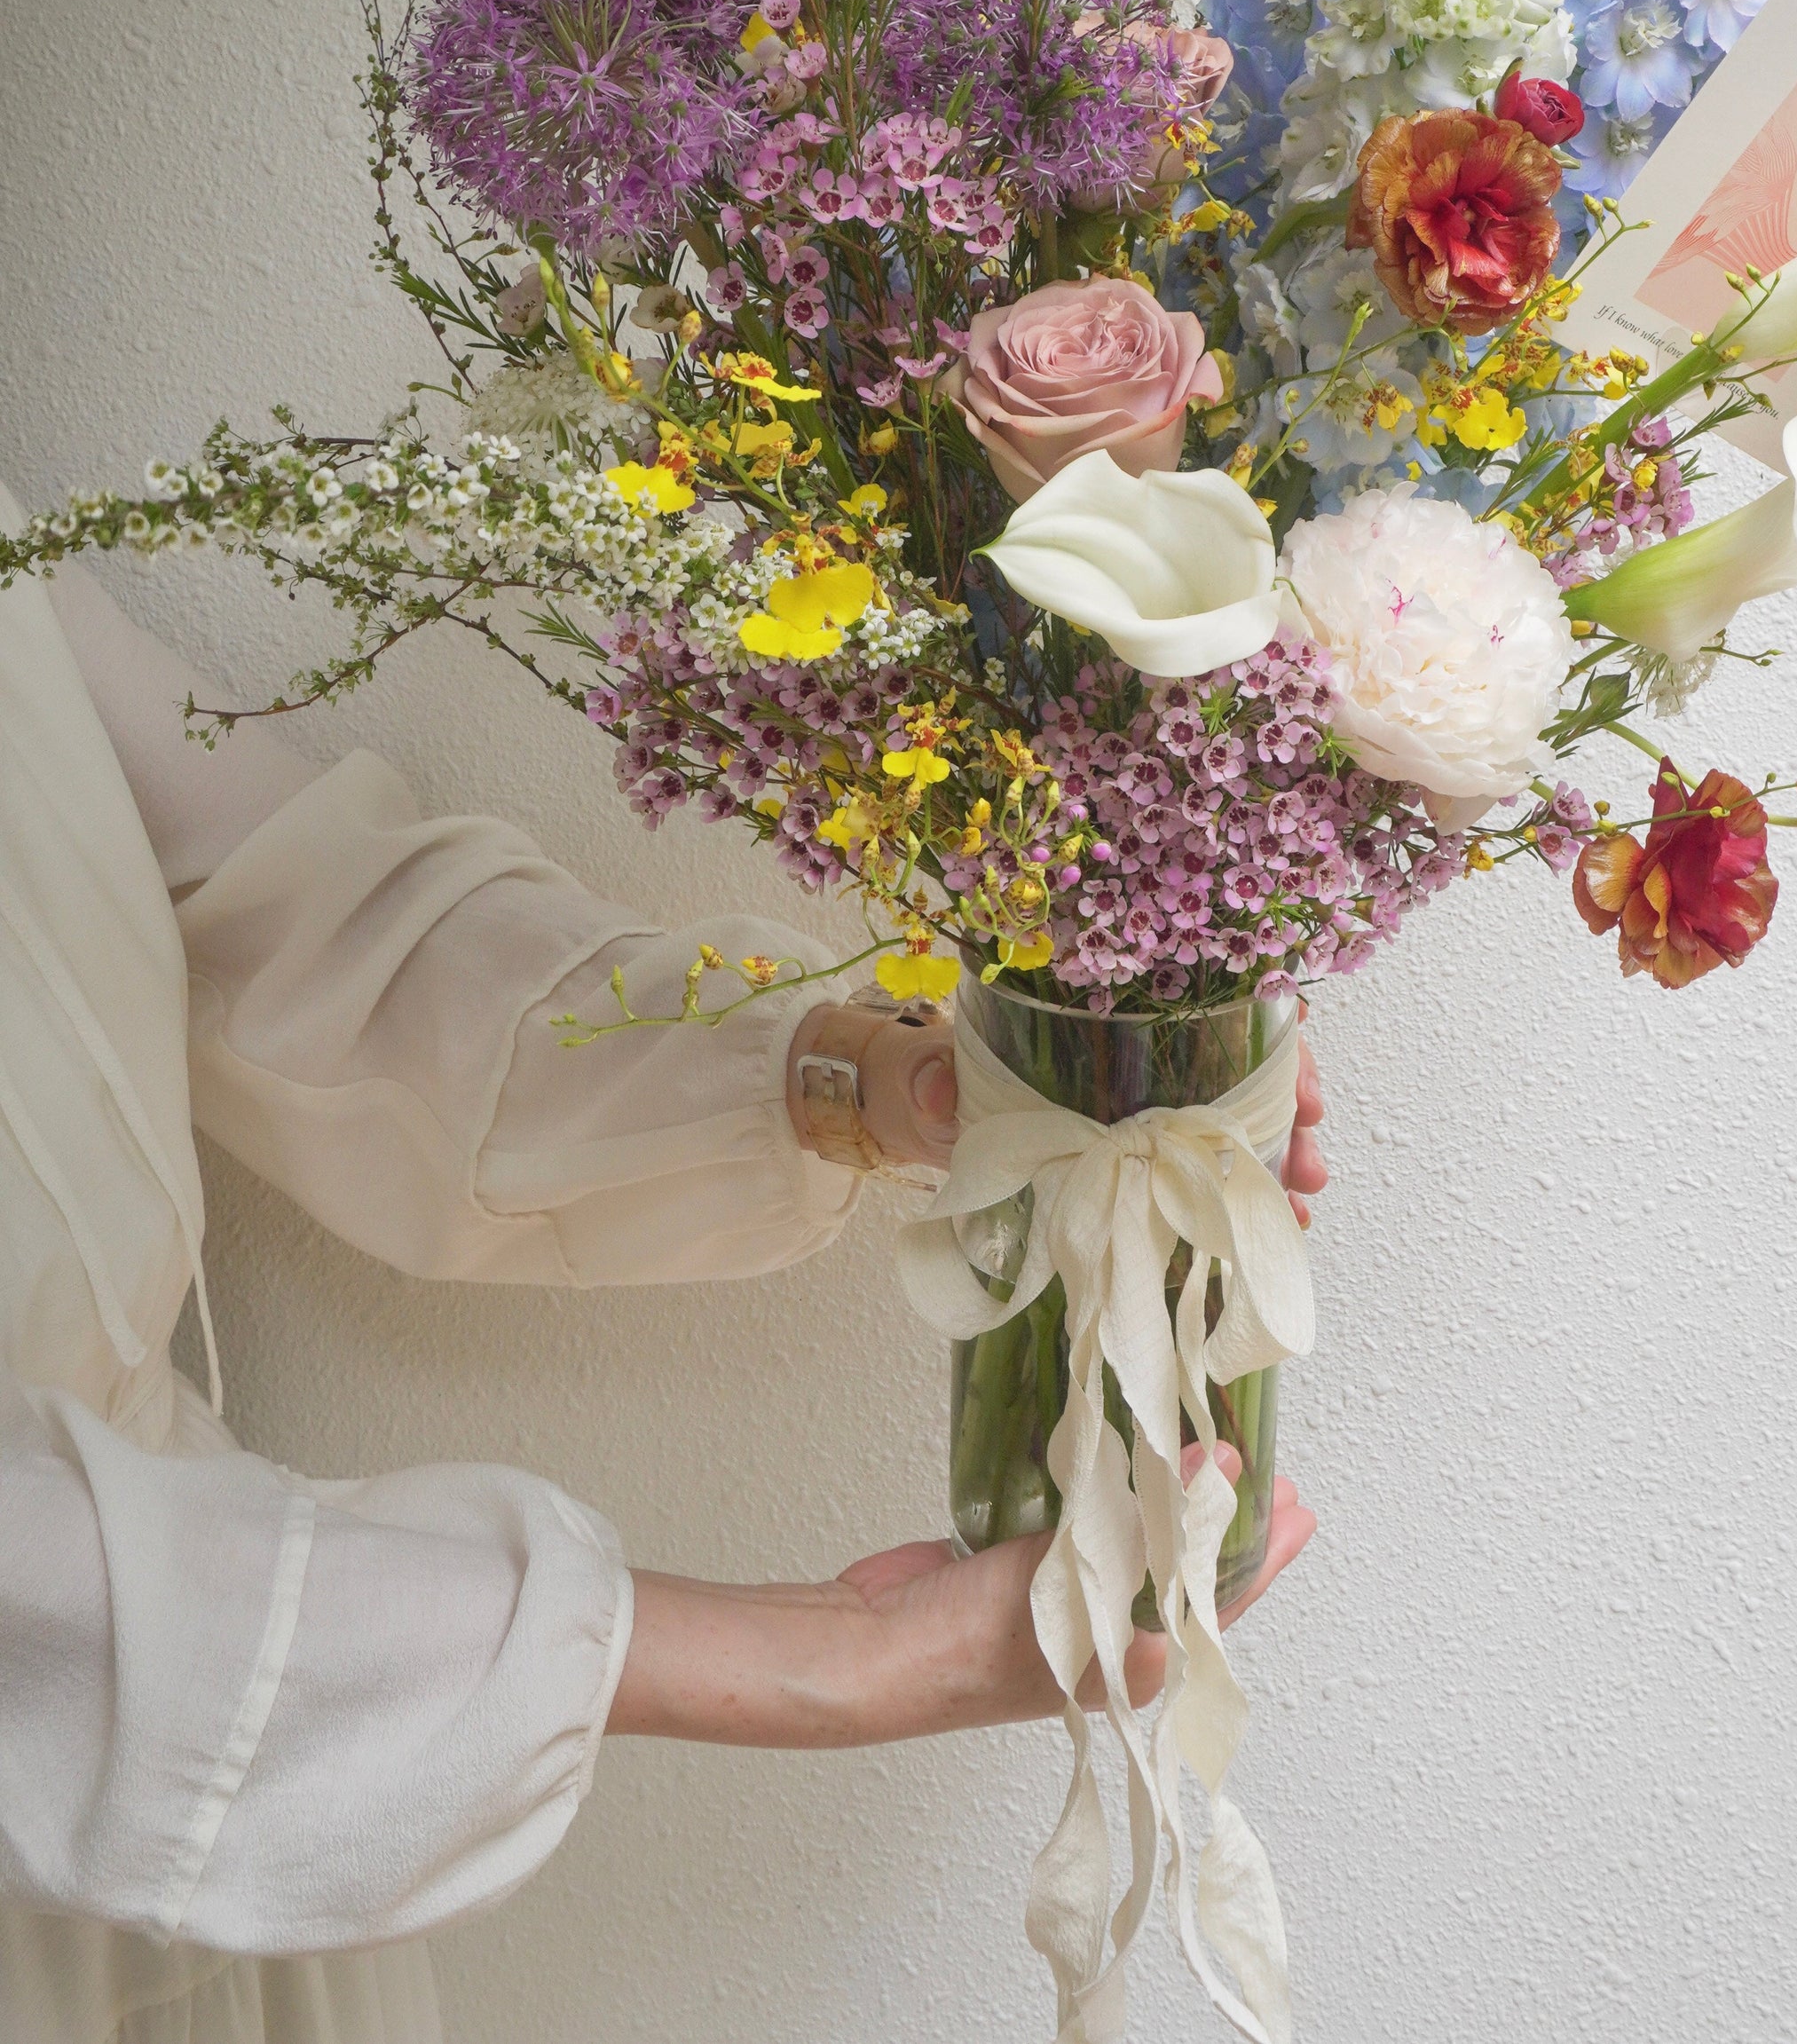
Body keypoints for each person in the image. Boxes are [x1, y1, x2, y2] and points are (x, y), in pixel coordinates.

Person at [0, 519, 1324, 2044]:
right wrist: (830, 1653)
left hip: (212, 1794)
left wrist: (899, 1082)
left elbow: (324, 930)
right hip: (152, 1727)